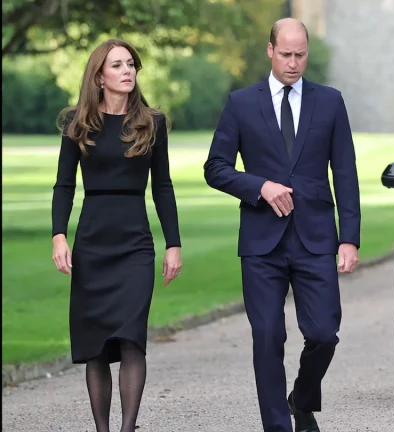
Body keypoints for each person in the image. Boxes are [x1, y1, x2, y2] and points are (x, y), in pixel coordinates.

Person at [203, 18, 361, 432]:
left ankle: (302, 398)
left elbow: (345, 173)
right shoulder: (241, 103)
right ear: (270, 50)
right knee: (269, 337)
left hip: (315, 239)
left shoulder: (330, 101)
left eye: (301, 54)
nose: (293, 63)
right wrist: (260, 186)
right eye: (286, 54)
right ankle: (278, 426)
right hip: (261, 243)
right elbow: (215, 168)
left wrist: (350, 239)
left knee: (324, 333)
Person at [51, 39, 182, 432]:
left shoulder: (151, 122)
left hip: (135, 245)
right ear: (99, 76)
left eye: (131, 64)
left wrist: (173, 243)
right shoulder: (78, 123)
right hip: (93, 242)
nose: (127, 71)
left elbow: (163, 187)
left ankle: (127, 429)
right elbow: (63, 187)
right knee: (96, 346)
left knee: (131, 338)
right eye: (118, 65)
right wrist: (59, 235)